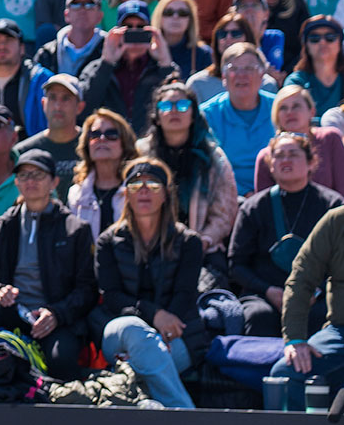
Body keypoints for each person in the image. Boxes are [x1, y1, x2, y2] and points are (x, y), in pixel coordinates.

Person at [0, 149, 96, 379]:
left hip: (54, 318)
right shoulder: (2, 226)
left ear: (54, 182)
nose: (30, 181)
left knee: (60, 362)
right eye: (23, 175)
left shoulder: (76, 229)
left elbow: (87, 289)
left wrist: (56, 314)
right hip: (12, 312)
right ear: (16, 182)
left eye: (38, 175)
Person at [94, 157, 201, 409]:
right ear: (126, 195)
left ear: (165, 195)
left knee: (144, 366)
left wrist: (163, 331)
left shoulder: (189, 241)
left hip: (176, 332)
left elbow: (185, 294)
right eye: (135, 185)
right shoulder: (108, 241)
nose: (143, 191)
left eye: (152, 185)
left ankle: (152, 411)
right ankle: (187, 417)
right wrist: (155, 315)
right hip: (120, 332)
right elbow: (112, 297)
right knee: (133, 327)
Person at [231, 130, 343, 338]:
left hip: (317, 294)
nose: (285, 160)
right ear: (270, 165)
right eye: (279, 156)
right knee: (258, 317)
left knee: (323, 317)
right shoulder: (254, 207)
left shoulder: (332, 205)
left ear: (311, 163)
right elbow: (237, 264)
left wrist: (313, 290)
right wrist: (268, 290)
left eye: (293, 154)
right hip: (266, 295)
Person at [136, 82, 237, 289]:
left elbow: (224, 213)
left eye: (182, 106)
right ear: (156, 115)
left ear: (193, 114)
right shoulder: (140, 155)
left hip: (202, 248)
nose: (174, 111)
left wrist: (203, 241)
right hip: (148, 246)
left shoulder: (214, 158)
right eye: (166, 106)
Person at [272, 198, 344, 410]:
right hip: (340, 333)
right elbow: (301, 279)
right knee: (285, 375)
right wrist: (295, 339)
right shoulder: (336, 221)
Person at [78, 0, 179, 138]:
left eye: (141, 27)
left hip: (151, 144)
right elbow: (84, 109)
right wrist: (107, 62)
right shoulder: (96, 68)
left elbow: (180, 105)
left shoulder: (163, 67)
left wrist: (165, 63)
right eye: (128, 28)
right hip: (109, 141)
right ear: (117, 32)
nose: (134, 32)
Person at [199, 42, 275, 195]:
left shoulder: (279, 108)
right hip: (224, 196)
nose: (242, 75)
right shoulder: (207, 115)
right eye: (233, 69)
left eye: (249, 68)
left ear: (262, 76)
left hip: (275, 195)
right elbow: (206, 168)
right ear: (223, 77)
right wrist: (242, 194)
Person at [254, 85, 344, 194]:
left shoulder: (330, 138)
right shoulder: (267, 156)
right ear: (276, 116)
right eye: (283, 108)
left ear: (311, 112)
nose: (289, 112)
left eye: (296, 106)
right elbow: (264, 203)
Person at [68, 109, 135, 238]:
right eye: (94, 135)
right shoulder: (75, 195)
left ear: (124, 143)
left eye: (111, 134)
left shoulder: (138, 190)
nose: (102, 139)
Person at [0, 19, 49, 135]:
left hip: (27, 151)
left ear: (22, 48)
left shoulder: (41, 80)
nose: (2, 46)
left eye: (8, 40)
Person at [188, 12, 276, 106]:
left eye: (236, 33)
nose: (228, 38)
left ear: (248, 38)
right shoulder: (197, 84)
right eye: (222, 34)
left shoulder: (267, 85)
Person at [14, 74, 85, 185]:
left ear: (79, 107)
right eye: (52, 97)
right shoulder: (24, 152)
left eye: (65, 98)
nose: (58, 106)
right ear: (43, 104)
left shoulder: (93, 146)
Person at [36, 0, 109, 79]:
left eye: (89, 5)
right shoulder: (46, 53)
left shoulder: (109, 52)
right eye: (76, 4)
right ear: (66, 15)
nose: (82, 10)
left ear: (100, 16)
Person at [287, 15, 344, 116]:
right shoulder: (296, 82)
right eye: (314, 38)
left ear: (340, 43)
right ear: (306, 45)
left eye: (330, 37)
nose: (322, 42)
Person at [152, 0, 212, 80]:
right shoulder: (147, 51)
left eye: (182, 13)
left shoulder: (203, 54)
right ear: (159, 17)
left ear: (190, 20)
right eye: (169, 12)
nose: (175, 17)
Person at [230, 0, 289, 75]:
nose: (249, 10)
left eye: (255, 6)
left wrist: (256, 40)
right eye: (243, 6)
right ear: (235, 13)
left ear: (266, 14)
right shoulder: (229, 35)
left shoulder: (274, 37)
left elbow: (273, 72)